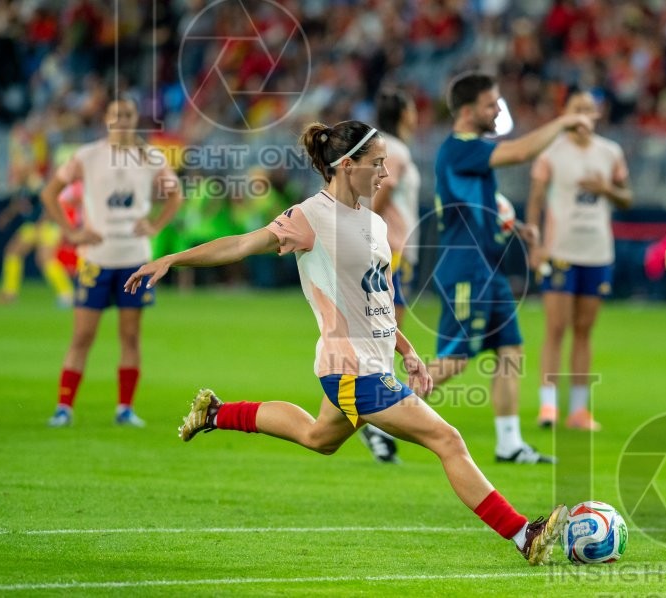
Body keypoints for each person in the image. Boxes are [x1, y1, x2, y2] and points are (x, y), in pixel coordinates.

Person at [123, 120, 568, 565]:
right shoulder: (309, 217)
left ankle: (217, 413)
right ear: (346, 164)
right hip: (350, 369)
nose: (384, 174)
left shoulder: (374, 223)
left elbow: (376, 302)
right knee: (447, 439)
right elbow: (240, 245)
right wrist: (174, 258)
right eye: (376, 164)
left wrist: (408, 351)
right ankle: (523, 535)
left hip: (376, 364)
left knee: (319, 437)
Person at [427, 71, 592, 464]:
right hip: (465, 266)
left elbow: (476, 205)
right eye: (491, 104)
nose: (498, 109)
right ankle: (377, 416)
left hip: (488, 268)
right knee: (454, 359)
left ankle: (509, 443)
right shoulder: (458, 148)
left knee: (510, 349)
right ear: (467, 111)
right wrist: (564, 121)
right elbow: (519, 152)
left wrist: (514, 227)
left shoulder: (472, 153)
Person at [39, 95, 184, 427]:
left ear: (136, 119)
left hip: (135, 259)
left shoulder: (150, 157)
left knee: (130, 336)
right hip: (96, 258)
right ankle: (64, 407)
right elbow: (49, 193)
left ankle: (125, 409)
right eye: (116, 114)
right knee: (82, 336)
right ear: (105, 118)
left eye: (128, 114)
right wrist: (71, 232)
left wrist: (156, 225)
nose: (122, 120)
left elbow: (175, 194)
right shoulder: (87, 156)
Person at [526, 89, 632, 431]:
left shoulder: (610, 152)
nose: (584, 114)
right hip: (561, 251)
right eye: (578, 108)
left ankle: (578, 411)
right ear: (566, 112)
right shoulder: (552, 153)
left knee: (585, 330)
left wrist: (607, 190)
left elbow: (627, 198)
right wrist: (535, 243)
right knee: (556, 328)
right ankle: (548, 406)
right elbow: (536, 200)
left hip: (597, 250)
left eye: (589, 108)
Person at [358, 87, 423, 464]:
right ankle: (378, 421)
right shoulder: (396, 151)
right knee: (384, 333)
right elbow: (383, 193)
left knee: (383, 333)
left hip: (397, 249)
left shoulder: (392, 148)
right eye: (413, 108)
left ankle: (375, 418)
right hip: (392, 250)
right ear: (402, 113)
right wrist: (368, 231)